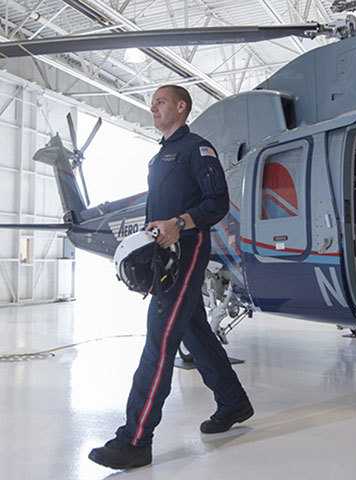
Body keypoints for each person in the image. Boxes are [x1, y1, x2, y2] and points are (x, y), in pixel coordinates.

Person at [89, 85, 253, 470]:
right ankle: (233, 402)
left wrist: (180, 223)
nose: (153, 108)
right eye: (152, 103)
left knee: (160, 340)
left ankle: (135, 439)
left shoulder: (197, 148)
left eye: (160, 101)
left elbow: (217, 202)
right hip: (165, 253)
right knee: (194, 329)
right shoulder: (161, 155)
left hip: (188, 249)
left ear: (181, 107)